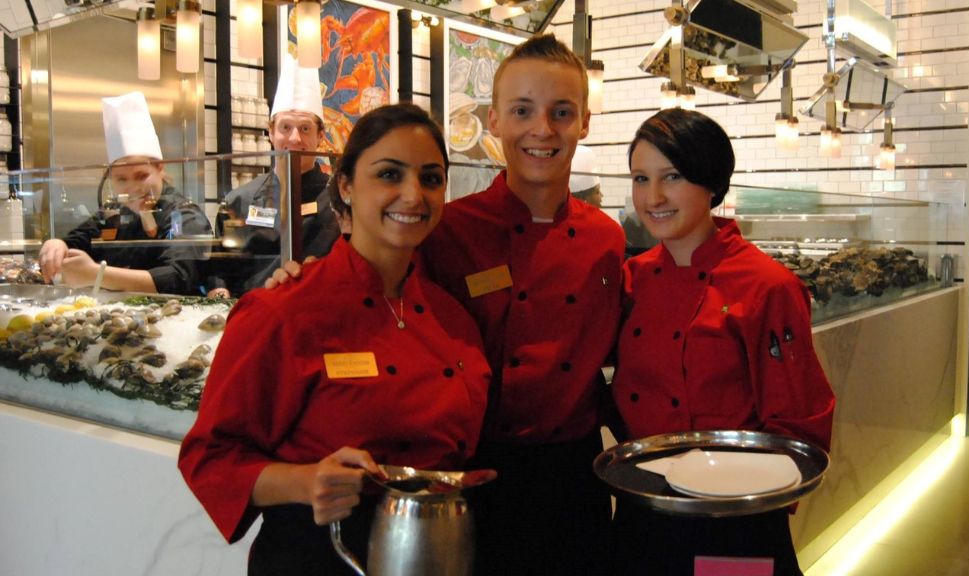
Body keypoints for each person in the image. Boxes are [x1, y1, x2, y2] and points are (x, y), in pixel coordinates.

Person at [265, 34, 624, 575]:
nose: (542, 130)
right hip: (471, 473)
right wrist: (313, 277)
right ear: (495, 121)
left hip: (574, 473)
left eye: (562, 112)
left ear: (585, 122)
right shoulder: (449, 228)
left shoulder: (605, 238)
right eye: (522, 111)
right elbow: (382, 296)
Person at [178, 103, 491, 574]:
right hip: (320, 552)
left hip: (434, 549)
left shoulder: (454, 317)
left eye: (431, 178)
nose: (413, 195)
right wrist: (305, 482)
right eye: (389, 174)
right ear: (346, 186)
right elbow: (209, 458)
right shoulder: (283, 311)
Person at [610, 108, 836, 575]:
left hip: (734, 516)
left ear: (711, 181)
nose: (652, 197)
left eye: (671, 176)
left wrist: (757, 498)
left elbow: (800, 418)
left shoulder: (767, 286)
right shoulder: (632, 279)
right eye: (640, 178)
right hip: (644, 504)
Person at [38, 91, 211, 294]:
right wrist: (56, 244)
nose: (132, 188)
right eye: (121, 179)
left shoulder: (185, 215)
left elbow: (178, 278)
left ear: (160, 168)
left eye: (141, 176)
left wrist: (96, 274)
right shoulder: (115, 212)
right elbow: (78, 239)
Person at [205, 54, 340, 298]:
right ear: (270, 132)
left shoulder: (339, 201)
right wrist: (219, 290)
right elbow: (219, 270)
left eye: (305, 129)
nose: (295, 139)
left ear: (321, 136)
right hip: (252, 315)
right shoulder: (240, 201)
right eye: (285, 127)